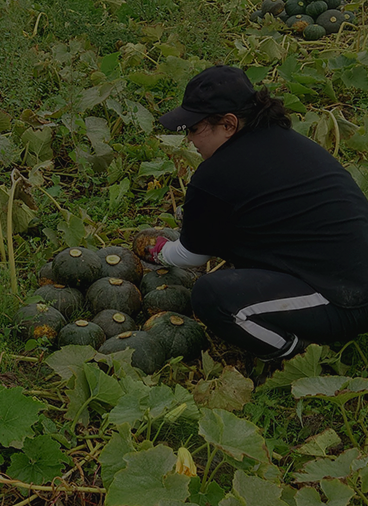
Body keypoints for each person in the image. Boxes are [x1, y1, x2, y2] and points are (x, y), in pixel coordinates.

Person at [143, 65, 368, 360]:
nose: (190, 140)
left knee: (212, 296)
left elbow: (191, 256)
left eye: (195, 129)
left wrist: (158, 250)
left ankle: (291, 350)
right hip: (349, 274)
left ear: (228, 124)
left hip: (344, 301)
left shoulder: (215, 176)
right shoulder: (288, 142)